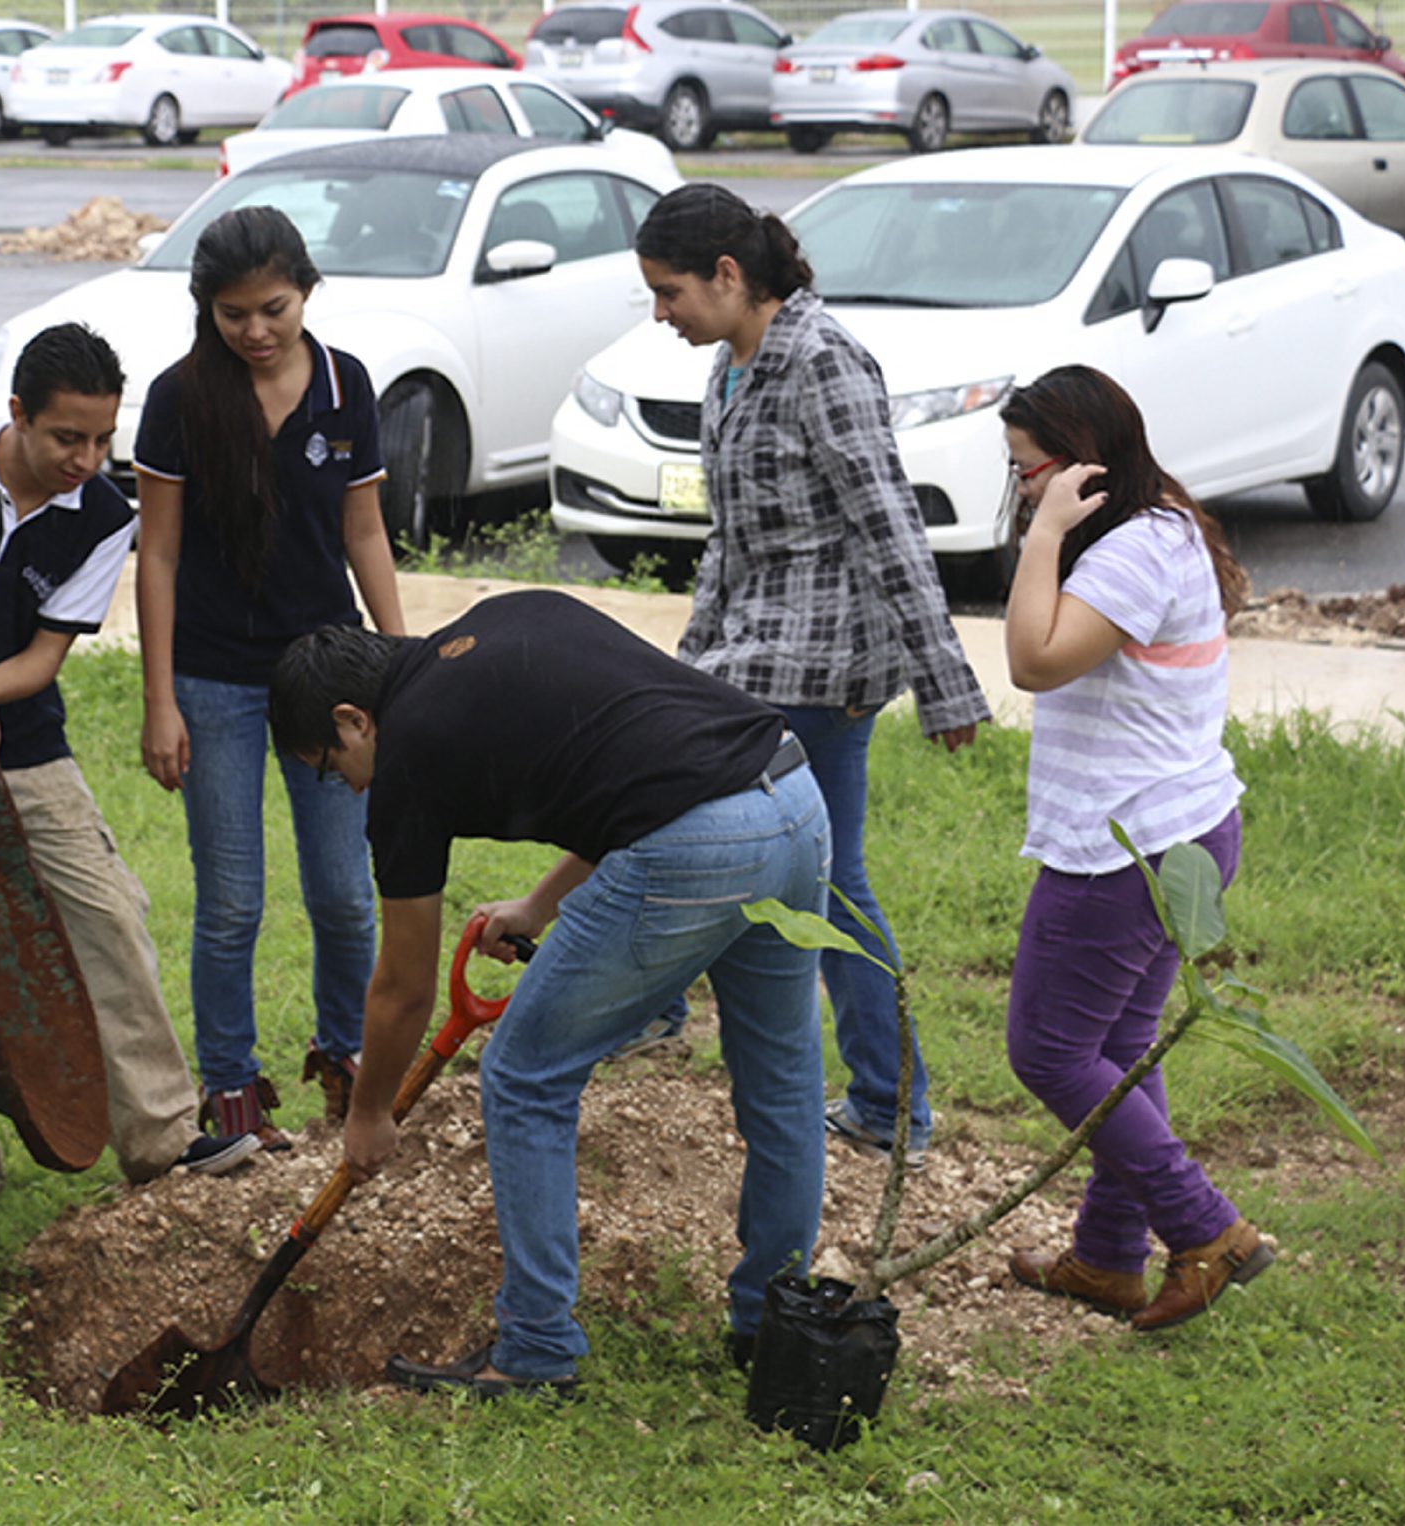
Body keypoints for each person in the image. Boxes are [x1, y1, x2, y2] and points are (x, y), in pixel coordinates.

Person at [269, 590, 831, 1396]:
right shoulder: (502, 620)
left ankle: (535, 1349)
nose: (349, 788)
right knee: (781, 1083)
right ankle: (772, 1330)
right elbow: (639, 762)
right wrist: (538, 906)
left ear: (353, 720)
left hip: (697, 847)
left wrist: (369, 1113)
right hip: (792, 800)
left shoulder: (407, 756)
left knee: (524, 1075)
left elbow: (401, 989)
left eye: (330, 769)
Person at [0, 322, 257, 1188]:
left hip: (23, 748)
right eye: (68, 437)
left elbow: (43, 656)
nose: (86, 458)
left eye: (104, 439)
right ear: (18, 414)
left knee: (109, 915)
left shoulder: (106, 516)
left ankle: (162, 1136)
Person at [633, 183, 991, 1171]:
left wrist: (948, 683)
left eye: (670, 293)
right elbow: (732, 541)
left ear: (730, 276)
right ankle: (879, 1095)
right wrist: (692, 660)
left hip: (824, 660)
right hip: (750, 646)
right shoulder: (732, 365)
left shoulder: (824, 359)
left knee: (793, 865)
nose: (662, 314)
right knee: (820, 877)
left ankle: (666, 1007)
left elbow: (889, 524)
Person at [996, 364, 1272, 1332]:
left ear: (1084, 469)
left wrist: (1043, 535)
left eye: (1032, 470)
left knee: (1048, 1047)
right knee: (1116, 1048)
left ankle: (1207, 1227)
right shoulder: (1162, 527)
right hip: (1183, 830)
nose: (1021, 485)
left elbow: (1033, 659)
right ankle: (1110, 1259)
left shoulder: (1128, 555)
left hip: (1126, 848)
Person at [132, 206, 406, 1150]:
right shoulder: (178, 399)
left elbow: (362, 531)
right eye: (232, 313)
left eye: (273, 309)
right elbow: (157, 555)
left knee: (342, 889)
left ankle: (347, 1060)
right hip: (212, 679)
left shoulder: (347, 387)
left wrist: (396, 666)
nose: (254, 331)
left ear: (307, 293)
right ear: (206, 309)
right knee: (232, 899)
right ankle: (230, 1091)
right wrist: (159, 699)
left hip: (324, 675)